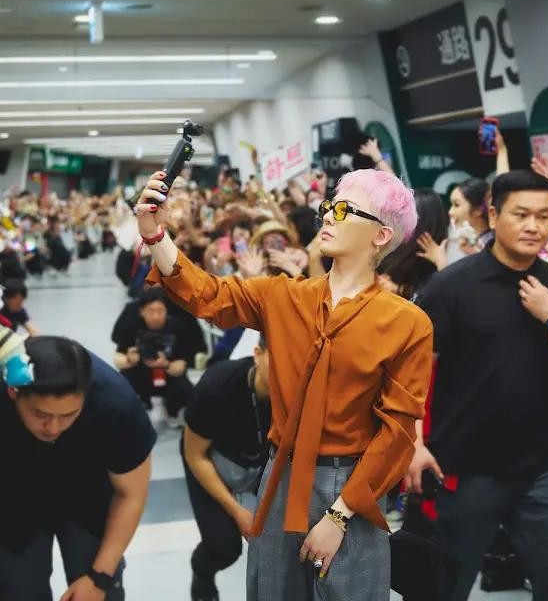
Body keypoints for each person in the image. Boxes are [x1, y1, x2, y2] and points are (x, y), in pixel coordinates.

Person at [135, 167, 432, 601]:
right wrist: (155, 235)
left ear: (381, 235)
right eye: (329, 206)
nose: (328, 216)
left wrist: (340, 515)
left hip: (352, 484)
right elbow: (208, 294)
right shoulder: (285, 296)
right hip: (282, 475)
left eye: (345, 210)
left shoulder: (407, 323)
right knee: (272, 590)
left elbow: (397, 433)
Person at [413, 170, 548, 601]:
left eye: (543, 216)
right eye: (521, 214)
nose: (533, 226)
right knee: (438, 588)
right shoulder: (451, 287)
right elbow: (413, 372)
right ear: (494, 215)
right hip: (460, 466)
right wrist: (413, 442)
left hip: (542, 467)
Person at [0, 335, 156, 600]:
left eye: (68, 415)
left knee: (100, 590)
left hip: (87, 491)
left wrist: (99, 579)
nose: (53, 428)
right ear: (13, 393)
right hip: (13, 491)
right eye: (40, 414)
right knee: (18, 589)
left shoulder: (116, 404)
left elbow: (131, 494)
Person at [183, 335, 271, 601]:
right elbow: (195, 455)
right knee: (224, 547)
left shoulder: (303, 389)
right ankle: (202, 574)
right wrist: (237, 512)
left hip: (264, 461)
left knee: (283, 541)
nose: (288, 372)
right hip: (210, 458)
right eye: (280, 361)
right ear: (258, 354)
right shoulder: (217, 386)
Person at [113, 285, 193, 427]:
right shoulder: (131, 326)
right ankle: (138, 410)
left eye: (160, 311)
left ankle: (173, 410)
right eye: (150, 311)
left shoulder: (178, 327)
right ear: (142, 312)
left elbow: (182, 363)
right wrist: (129, 360)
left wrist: (166, 364)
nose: (156, 316)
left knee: (185, 389)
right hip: (138, 372)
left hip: (169, 374)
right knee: (120, 386)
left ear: (166, 310)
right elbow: (118, 357)